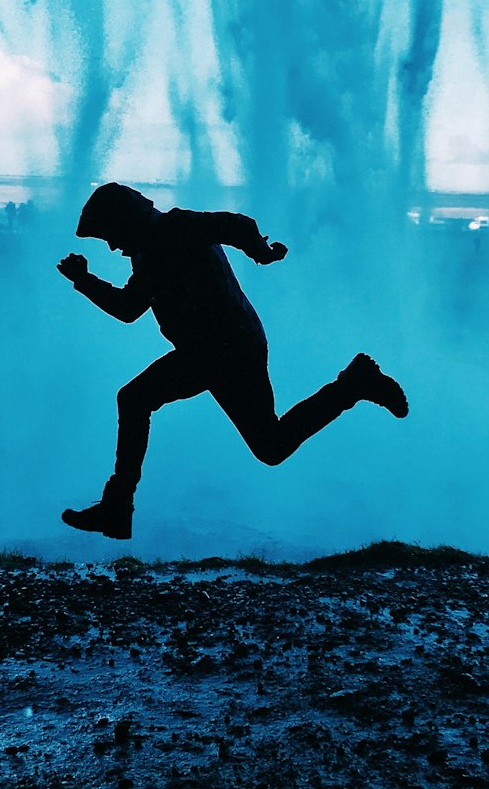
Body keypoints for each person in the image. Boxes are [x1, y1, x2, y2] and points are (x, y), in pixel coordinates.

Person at [57, 183, 408, 540]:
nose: (114, 247)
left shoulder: (177, 228)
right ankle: (354, 384)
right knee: (265, 443)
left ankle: (354, 384)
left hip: (229, 348)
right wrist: (84, 281)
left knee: (142, 402)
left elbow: (235, 225)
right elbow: (129, 308)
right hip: (210, 350)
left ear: (128, 221)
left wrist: (262, 252)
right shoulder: (148, 250)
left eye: (112, 236)